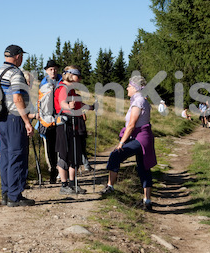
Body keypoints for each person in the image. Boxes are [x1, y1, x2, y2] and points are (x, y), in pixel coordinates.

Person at [102, 75, 156, 211]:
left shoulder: (138, 102)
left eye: (129, 86)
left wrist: (121, 142)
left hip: (139, 138)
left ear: (136, 88)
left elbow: (131, 125)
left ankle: (110, 187)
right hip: (143, 138)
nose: (127, 88)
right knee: (144, 167)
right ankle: (147, 201)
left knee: (115, 155)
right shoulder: (141, 100)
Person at [0, 45, 35, 207]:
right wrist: (27, 122)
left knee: (5, 156)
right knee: (17, 156)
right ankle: (15, 195)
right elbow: (17, 97)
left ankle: (6, 193)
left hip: (1, 119)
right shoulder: (15, 73)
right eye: (22, 56)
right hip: (14, 119)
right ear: (18, 56)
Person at [54, 66, 94, 195]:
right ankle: (64, 185)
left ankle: (73, 184)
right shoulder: (63, 88)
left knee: (74, 155)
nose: (80, 78)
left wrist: (90, 107)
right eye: (78, 75)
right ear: (71, 75)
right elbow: (62, 103)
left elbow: (78, 104)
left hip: (72, 124)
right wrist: (68, 106)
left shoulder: (71, 90)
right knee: (65, 154)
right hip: (64, 125)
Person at [38, 59, 62, 184]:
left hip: (60, 119)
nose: (53, 71)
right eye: (50, 69)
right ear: (46, 71)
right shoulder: (43, 84)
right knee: (49, 148)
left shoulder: (62, 81)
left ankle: (60, 171)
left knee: (60, 147)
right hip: (47, 121)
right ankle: (52, 171)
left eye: (55, 69)